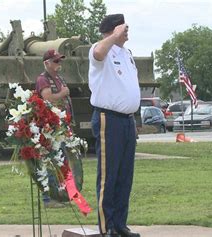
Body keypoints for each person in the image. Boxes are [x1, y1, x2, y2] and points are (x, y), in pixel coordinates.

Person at [88, 14, 140, 237]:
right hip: (108, 119)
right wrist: (114, 36)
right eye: (122, 28)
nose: (126, 32)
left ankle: (120, 224)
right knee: (108, 176)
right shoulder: (100, 50)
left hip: (127, 120)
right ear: (111, 30)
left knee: (124, 176)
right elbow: (99, 52)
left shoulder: (127, 54)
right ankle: (106, 225)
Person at [35, 49, 72, 208]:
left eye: (60, 61)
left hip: (60, 127)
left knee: (61, 161)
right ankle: (49, 199)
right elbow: (48, 98)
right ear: (46, 63)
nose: (59, 64)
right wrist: (63, 93)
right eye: (56, 61)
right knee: (50, 162)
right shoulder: (43, 80)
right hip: (49, 128)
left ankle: (63, 195)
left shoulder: (58, 78)